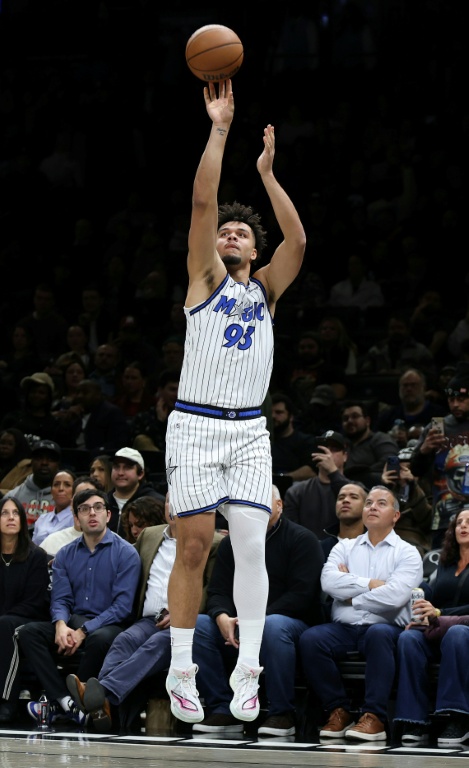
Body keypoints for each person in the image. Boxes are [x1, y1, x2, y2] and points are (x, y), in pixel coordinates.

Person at [164, 79, 306, 726]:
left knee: (250, 544)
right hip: (194, 426)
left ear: (253, 249)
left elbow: (297, 244)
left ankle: (249, 669)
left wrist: (267, 176)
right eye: (224, 231)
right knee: (193, 546)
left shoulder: (267, 293)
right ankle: (181, 668)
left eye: (239, 232)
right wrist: (219, 127)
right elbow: (200, 203)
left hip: (248, 432)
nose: (227, 233)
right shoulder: (202, 282)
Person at [65, 496, 223, 732]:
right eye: (170, 501)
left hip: (183, 622)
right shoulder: (149, 535)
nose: (175, 506)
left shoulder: (214, 542)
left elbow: (214, 589)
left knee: (157, 644)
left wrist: (185, 611)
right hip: (148, 618)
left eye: (182, 500)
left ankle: (101, 694)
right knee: (123, 640)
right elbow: (123, 566)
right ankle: (103, 704)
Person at [192, 485, 324, 737]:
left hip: (292, 623)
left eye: (262, 501)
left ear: (279, 506)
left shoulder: (302, 539)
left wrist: (255, 620)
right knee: (198, 625)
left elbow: (302, 595)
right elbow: (217, 591)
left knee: (274, 626)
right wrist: (221, 615)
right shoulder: (233, 542)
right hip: (241, 621)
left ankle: (281, 712)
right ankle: (223, 707)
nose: (254, 508)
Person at [299, 485, 423, 742]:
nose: (372, 507)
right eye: (368, 503)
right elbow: (328, 583)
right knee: (311, 639)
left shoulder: (408, 552)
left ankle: (374, 716)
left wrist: (349, 593)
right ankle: (338, 709)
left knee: (378, 634)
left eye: (381, 503)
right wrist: (370, 584)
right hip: (344, 628)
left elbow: (396, 597)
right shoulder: (345, 546)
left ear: (396, 516)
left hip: (385, 627)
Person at [16, 487, 141, 727]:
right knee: (29, 632)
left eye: (97, 508)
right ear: (76, 518)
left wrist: (84, 631)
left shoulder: (126, 553)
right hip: (73, 620)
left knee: (100, 638)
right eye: (84, 509)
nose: (91, 513)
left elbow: (122, 607)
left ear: (108, 515)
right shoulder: (64, 555)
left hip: (110, 624)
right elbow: (60, 599)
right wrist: (61, 626)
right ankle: (65, 701)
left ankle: (72, 699)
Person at [394, 507, 469, 746]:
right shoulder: (446, 563)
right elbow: (434, 600)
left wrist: (440, 613)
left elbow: (442, 610)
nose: (463, 526)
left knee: (457, 634)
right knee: (408, 639)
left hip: (461, 633)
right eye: (459, 522)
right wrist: (422, 614)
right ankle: (414, 720)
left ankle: (457, 717)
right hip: (440, 630)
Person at [0, 496, 50, 723]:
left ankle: (6, 701)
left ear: (22, 520)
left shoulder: (35, 556)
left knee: (6, 626)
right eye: (4, 513)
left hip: (27, 618)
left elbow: (35, 602)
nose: (10, 517)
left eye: (15, 513)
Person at [410, 361, 469, 548]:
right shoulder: (437, 427)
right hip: (444, 517)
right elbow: (415, 470)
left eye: (461, 399)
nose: (455, 405)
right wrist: (424, 450)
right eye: (451, 400)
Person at [282, 430, 352, 539]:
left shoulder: (357, 490)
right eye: (323, 449)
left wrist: (333, 472)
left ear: (345, 456)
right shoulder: (296, 491)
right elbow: (290, 533)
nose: (328, 454)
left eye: (334, 449)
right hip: (308, 550)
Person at [381, 446, 433, 557]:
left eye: (409, 469)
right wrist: (386, 487)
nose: (404, 472)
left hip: (415, 543)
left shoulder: (428, 489)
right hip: (384, 542)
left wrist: (412, 485)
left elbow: (427, 522)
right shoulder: (386, 489)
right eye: (400, 469)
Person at [2, 439, 61, 532]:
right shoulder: (13, 496)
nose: (44, 463)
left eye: (50, 459)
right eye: (39, 458)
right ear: (31, 462)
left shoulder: (67, 499)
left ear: (58, 465)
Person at [60, 379, 131, 454]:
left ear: (98, 395)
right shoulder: (74, 412)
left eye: (85, 393)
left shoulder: (111, 412)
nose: (80, 396)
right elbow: (62, 442)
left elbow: (118, 442)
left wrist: (96, 452)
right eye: (78, 392)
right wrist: (66, 421)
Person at [40, 476, 103, 558]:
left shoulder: (117, 545)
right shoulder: (51, 542)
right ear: (71, 504)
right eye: (81, 496)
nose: (87, 503)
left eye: (91, 497)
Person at [107, 447, 164, 535]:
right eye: (116, 467)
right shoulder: (102, 502)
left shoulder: (156, 502)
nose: (120, 473)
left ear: (140, 474)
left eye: (127, 468)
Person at [341, 401, 400, 487]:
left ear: (367, 421)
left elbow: (392, 462)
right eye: (345, 418)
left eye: (355, 416)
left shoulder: (380, 438)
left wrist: (361, 474)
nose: (349, 421)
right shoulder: (342, 446)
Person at [375, 368, 447, 436]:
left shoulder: (438, 414)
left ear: (423, 388)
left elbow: (439, 440)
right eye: (405, 385)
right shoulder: (388, 417)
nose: (409, 389)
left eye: (413, 385)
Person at [130, 368, 180, 453]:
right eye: (172, 390)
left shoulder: (192, 419)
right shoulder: (144, 417)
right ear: (160, 390)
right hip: (152, 464)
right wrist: (160, 422)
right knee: (141, 440)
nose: (177, 394)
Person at [271, 392, 316, 481]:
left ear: (291, 416)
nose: (273, 416)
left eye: (278, 412)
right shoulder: (262, 442)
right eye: (270, 412)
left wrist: (280, 478)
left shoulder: (306, 442)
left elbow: (312, 471)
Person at [320, 482, 367, 560]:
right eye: (341, 498)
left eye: (354, 497)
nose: (345, 500)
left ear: (366, 506)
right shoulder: (321, 548)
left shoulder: (377, 546)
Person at [32, 468, 75, 547]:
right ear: (51, 491)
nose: (61, 488)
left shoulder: (77, 519)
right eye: (56, 484)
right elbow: (33, 550)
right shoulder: (42, 519)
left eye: (67, 485)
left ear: (75, 491)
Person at [0, 428, 32, 494]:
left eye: (10, 444)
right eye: (2, 443)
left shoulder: (27, 466)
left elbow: (21, 492)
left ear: (19, 446)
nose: (5, 447)